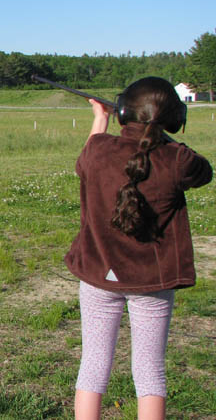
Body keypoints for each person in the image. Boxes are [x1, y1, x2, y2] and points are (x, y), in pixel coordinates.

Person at [64, 76, 213, 420]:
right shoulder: (177, 159)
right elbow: (203, 171)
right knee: (150, 371)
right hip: (152, 282)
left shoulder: (99, 149)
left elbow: (84, 163)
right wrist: (165, 138)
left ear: (122, 113)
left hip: (99, 275)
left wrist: (99, 119)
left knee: (93, 364)